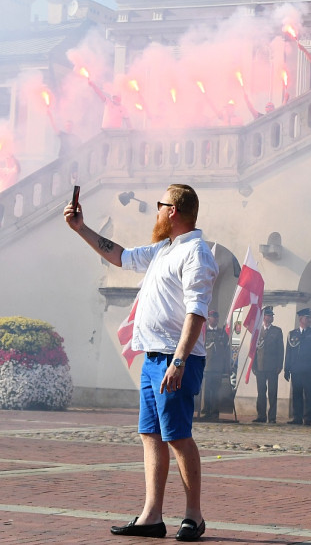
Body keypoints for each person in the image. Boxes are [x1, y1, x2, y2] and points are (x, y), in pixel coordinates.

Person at [64, 183, 217, 542]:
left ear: (174, 211)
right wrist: (81, 228)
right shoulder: (166, 248)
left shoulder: (195, 252)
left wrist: (178, 361)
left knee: (178, 437)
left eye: (160, 205)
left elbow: (197, 311)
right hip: (153, 359)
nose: (156, 211)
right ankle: (151, 516)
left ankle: (194, 516)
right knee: (151, 435)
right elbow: (121, 256)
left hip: (175, 359)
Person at [284, 308, 311, 425]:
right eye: (307, 318)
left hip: (309, 370)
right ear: (301, 319)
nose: (309, 320)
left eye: (309, 317)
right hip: (296, 370)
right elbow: (288, 353)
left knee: (309, 395)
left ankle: (308, 418)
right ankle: (297, 417)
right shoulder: (292, 334)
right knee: (297, 395)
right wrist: (286, 369)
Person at [251, 305, 283, 424]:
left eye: (271, 316)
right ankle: (261, 415)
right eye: (268, 315)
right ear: (264, 317)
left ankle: (272, 417)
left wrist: (280, 365)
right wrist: (253, 365)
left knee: (272, 393)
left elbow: (281, 350)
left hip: (273, 367)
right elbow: (254, 350)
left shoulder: (277, 331)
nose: (270, 317)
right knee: (261, 393)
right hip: (260, 366)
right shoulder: (257, 331)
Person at [200, 310, 230, 422]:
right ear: (209, 319)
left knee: (216, 390)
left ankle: (214, 412)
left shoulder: (222, 333)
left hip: (217, 368)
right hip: (207, 367)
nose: (215, 319)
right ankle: (207, 411)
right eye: (213, 317)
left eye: (217, 318)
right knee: (207, 391)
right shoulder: (204, 332)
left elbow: (227, 351)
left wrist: (227, 366)